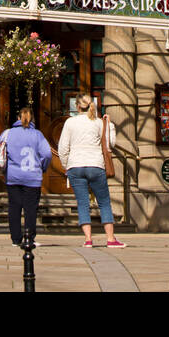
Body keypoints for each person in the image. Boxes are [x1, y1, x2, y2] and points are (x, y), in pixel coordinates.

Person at [57, 93, 124, 247]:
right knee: (104, 203)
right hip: (95, 165)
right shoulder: (99, 122)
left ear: (77, 106)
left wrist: (67, 165)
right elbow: (110, 144)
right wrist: (110, 126)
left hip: (75, 166)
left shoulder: (70, 122)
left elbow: (63, 148)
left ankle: (88, 239)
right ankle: (110, 239)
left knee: (82, 203)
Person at [0, 106, 52, 249]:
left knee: (14, 207)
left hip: (13, 176)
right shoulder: (37, 135)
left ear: (18, 118)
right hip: (32, 176)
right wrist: (42, 167)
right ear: (32, 119)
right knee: (30, 209)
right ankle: (29, 237)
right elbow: (47, 154)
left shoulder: (8, 133)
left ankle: (15, 238)